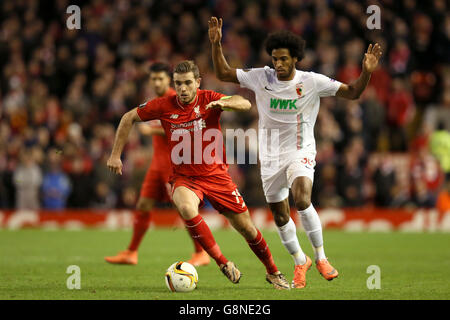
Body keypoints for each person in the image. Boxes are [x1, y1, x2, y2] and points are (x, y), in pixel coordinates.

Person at [208, 16, 382, 288]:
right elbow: (223, 74)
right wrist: (216, 44)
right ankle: (301, 261)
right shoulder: (261, 77)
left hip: (300, 151)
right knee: (280, 215)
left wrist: (367, 72)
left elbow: (352, 93)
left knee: (302, 199)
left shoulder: (312, 82)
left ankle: (321, 257)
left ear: (295, 59)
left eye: (284, 59)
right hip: (270, 157)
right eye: (275, 59)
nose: (278, 64)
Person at [106, 60, 290, 289]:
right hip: (185, 178)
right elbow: (128, 117)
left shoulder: (208, 98)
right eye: (178, 84)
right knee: (185, 207)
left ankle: (273, 272)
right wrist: (115, 155)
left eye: (187, 83)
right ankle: (222, 262)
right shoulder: (164, 105)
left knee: (247, 228)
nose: (182, 88)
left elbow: (243, 103)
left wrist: (226, 103)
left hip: (217, 177)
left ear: (197, 83)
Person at [105, 63, 210, 266]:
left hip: (174, 165)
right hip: (157, 164)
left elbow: (186, 127)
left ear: (168, 80)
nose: (157, 82)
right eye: (153, 79)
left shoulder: (178, 98)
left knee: (184, 209)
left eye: (160, 78)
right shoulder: (154, 102)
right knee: (143, 204)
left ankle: (201, 252)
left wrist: (152, 130)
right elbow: (131, 118)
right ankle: (131, 252)